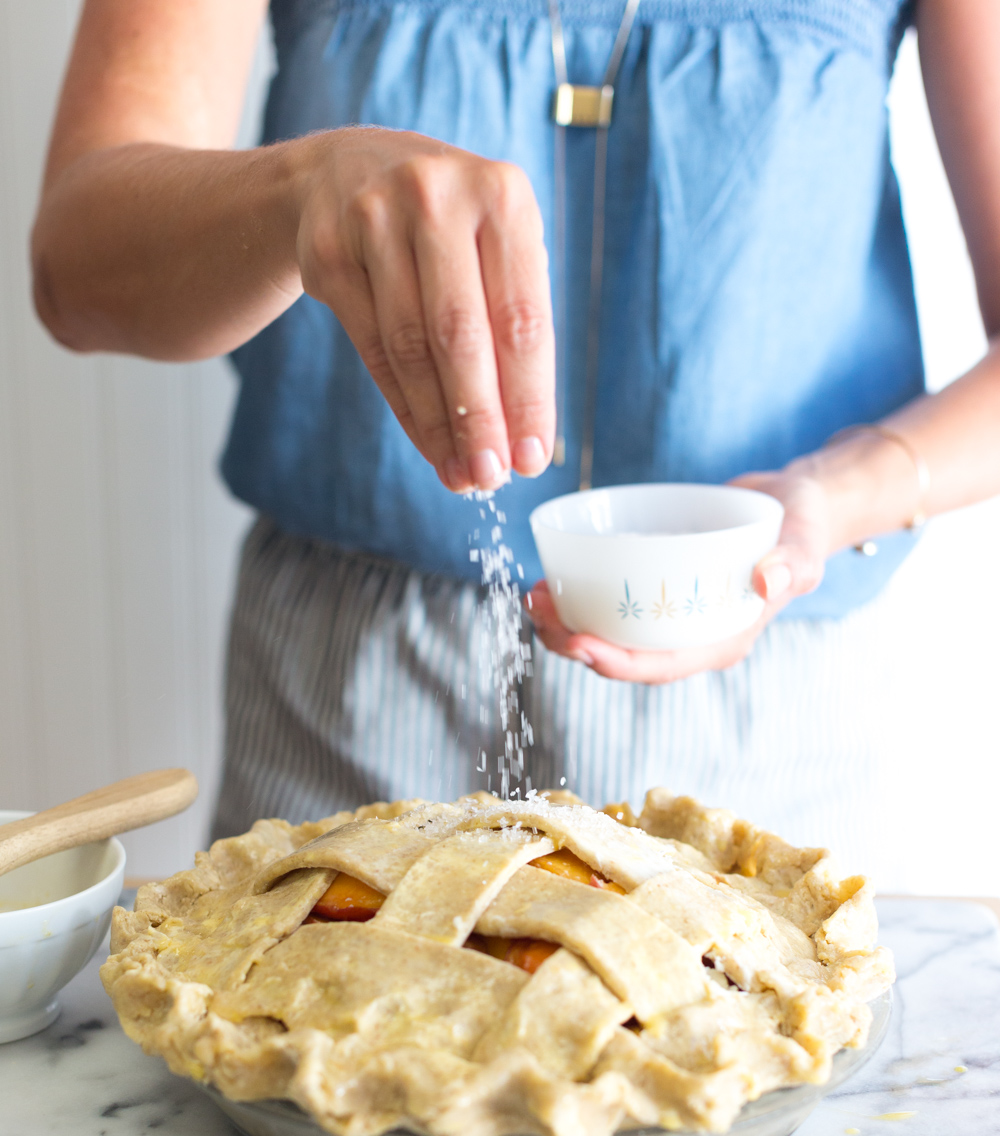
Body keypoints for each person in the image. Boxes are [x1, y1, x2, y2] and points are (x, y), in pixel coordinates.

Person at [32, 0, 1000, 861]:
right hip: (348, 718)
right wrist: (299, 194)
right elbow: (75, 269)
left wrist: (838, 494)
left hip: (770, 738)